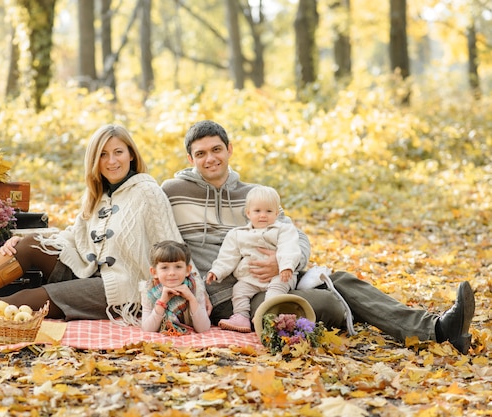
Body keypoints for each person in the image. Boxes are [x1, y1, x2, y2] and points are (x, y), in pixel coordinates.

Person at [161, 120, 475, 354]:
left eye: (216, 149)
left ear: (229, 150)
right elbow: (156, 237)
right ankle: (358, 314)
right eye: (200, 153)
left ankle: (436, 328)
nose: (210, 158)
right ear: (190, 159)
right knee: (326, 301)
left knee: (343, 279)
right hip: (229, 295)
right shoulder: (172, 193)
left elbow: (297, 237)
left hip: (278, 277)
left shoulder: (255, 195)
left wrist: (281, 260)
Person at [0, 124, 187, 327]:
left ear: (132, 155)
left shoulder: (147, 191)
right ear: (94, 160)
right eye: (102, 154)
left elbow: (173, 245)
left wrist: (193, 296)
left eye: (118, 152)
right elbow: (74, 236)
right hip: (89, 270)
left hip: (122, 289)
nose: (111, 161)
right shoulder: (98, 193)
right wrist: (24, 237)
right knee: (29, 246)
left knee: (30, 298)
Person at [206, 185, 302, 332]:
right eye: (257, 211)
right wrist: (217, 271)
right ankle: (241, 316)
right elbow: (228, 256)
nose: (263, 215)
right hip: (250, 277)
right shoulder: (238, 234)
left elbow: (289, 248)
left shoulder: (284, 230)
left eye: (268, 211)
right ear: (248, 213)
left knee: (276, 291)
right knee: (239, 291)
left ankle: (267, 316)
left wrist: (287, 266)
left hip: (279, 275)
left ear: (277, 213)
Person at [141, 240, 210, 335]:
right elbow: (147, 329)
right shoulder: (149, 290)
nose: (172, 273)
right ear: (154, 272)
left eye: (178, 267)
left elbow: (203, 329)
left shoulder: (196, 288)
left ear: (187, 270)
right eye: (165, 268)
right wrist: (162, 301)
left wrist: (191, 299)